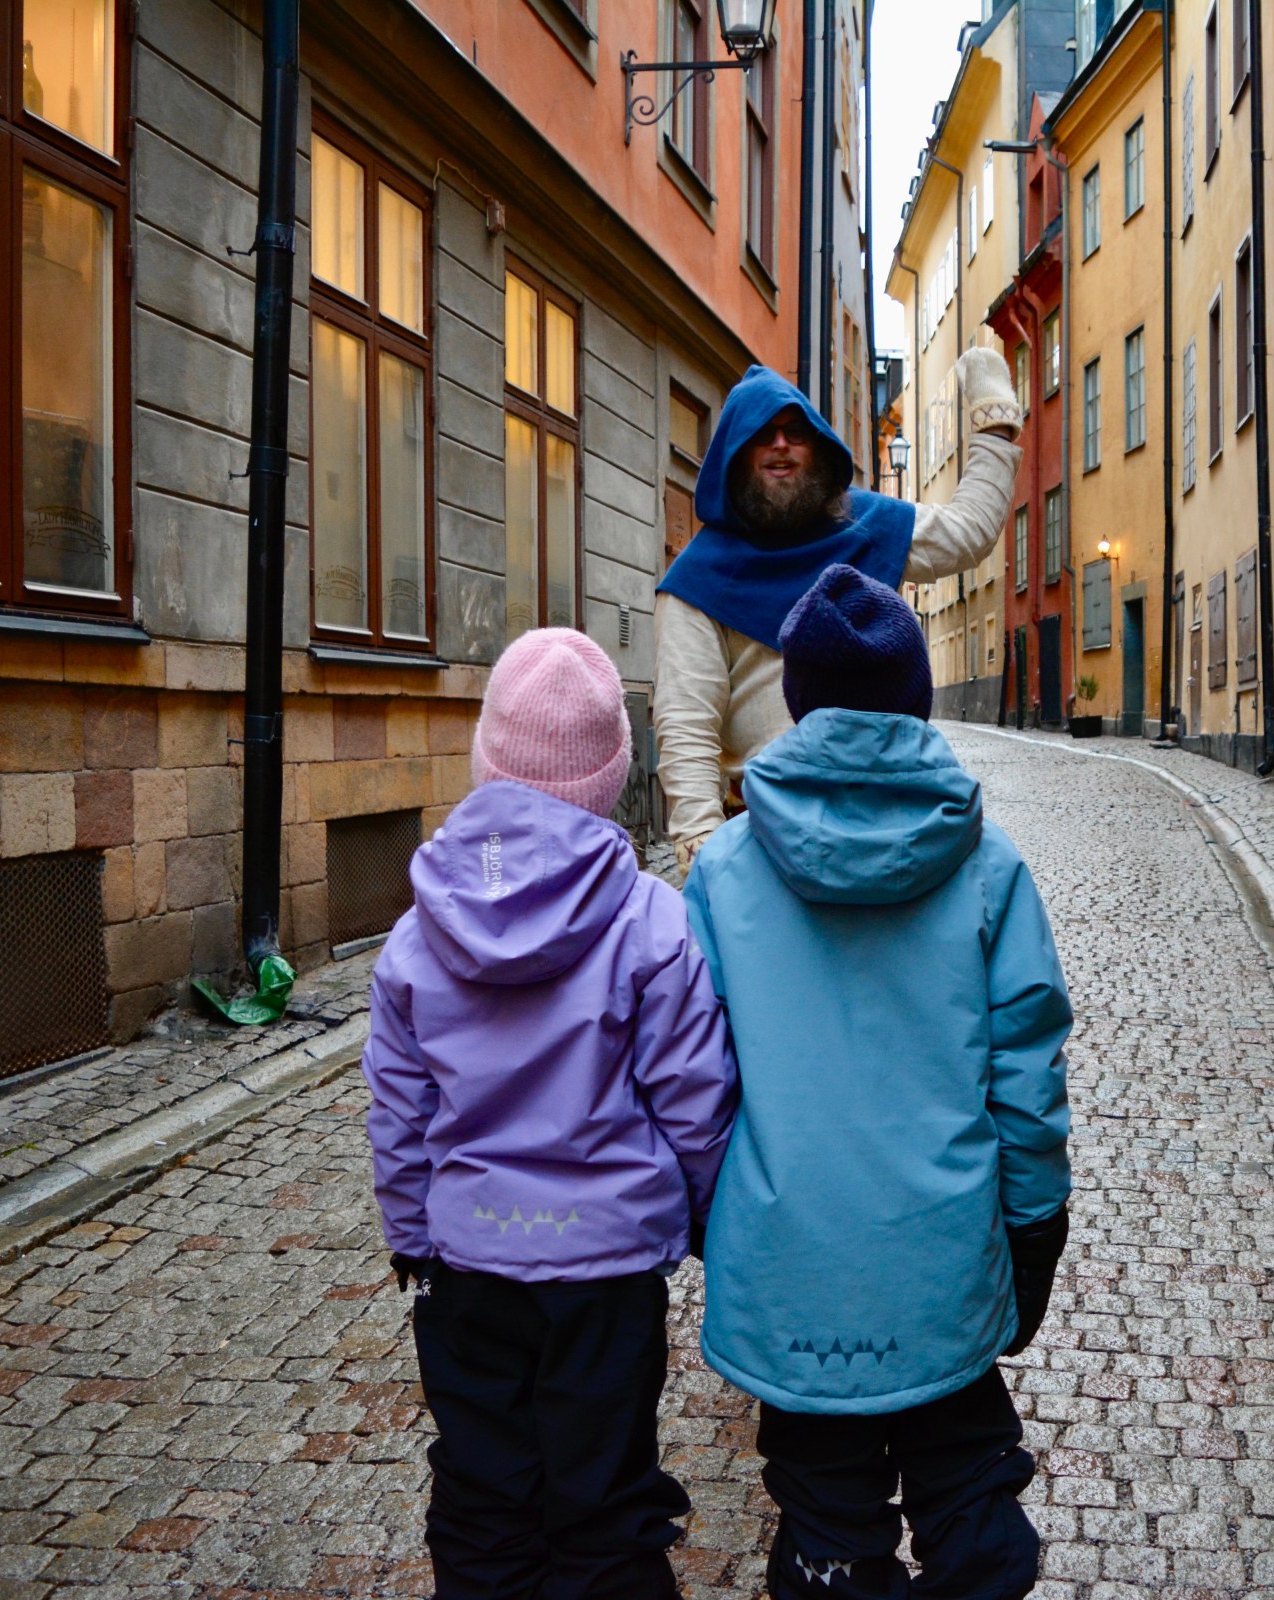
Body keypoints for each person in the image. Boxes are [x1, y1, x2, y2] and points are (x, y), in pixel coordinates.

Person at [684, 564, 1075, 1600]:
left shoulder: (723, 875)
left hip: (794, 1268)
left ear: (798, 702)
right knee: (971, 1497)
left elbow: (692, 1086)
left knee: (826, 1528)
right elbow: (1027, 1081)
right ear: (919, 700)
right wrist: (1034, 1229)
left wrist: (707, 1221)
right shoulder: (988, 869)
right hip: (941, 1262)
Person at [361, 627, 738, 1600]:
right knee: (607, 1502)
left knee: (485, 1501)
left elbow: (399, 1109)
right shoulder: (651, 922)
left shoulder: (419, 929)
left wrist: (411, 1230)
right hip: (607, 1278)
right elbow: (696, 1102)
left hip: (468, 1269)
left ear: (489, 757)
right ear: (613, 774)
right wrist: (704, 1220)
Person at [655, 350, 1022, 874]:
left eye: (794, 432)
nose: (779, 444)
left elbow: (967, 533)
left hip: (889, 823)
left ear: (820, 450)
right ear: (734, 455)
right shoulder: (697, 582)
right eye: (762, 433)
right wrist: (705, 862)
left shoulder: (863, 526)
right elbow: (687, 728)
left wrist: (994, 419)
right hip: (765, 842)